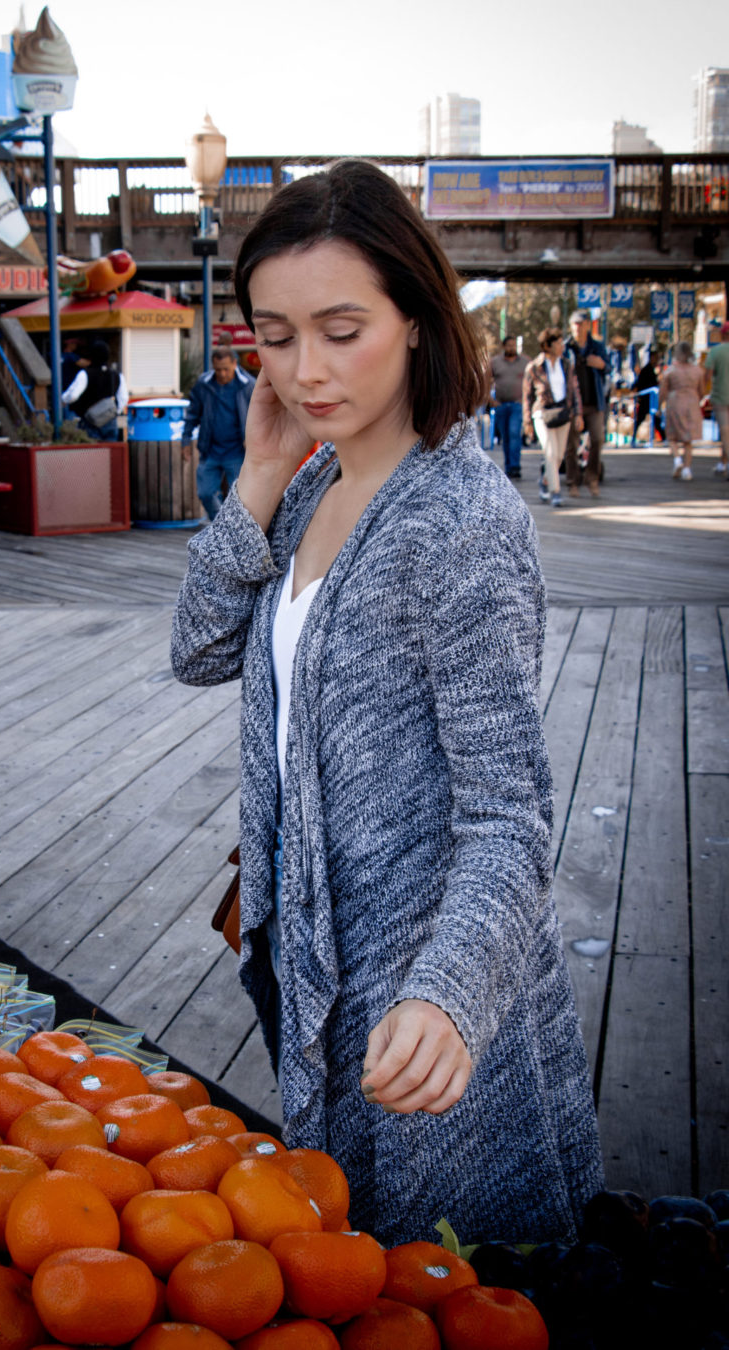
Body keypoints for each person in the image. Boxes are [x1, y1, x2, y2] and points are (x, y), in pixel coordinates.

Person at [170, 159, 603, 1248]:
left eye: (340, 328)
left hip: (423, 998)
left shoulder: (457, 519)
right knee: (346, 1261)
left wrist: (450, 993)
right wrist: (262, 477)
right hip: (307, 954)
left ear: (415, 315)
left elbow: (509, 816)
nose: (305, 369)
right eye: (275, 337)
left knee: (446, 1274)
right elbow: (199, 648)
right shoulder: (315, 479)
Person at [182, 345, 256, 520]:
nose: (222, 374)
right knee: (205, 493)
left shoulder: (248, 386)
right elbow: (192, 413)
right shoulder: (204, 384)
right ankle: (220, 524)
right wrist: (185, 440)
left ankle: (234, 531)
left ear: (235, 364)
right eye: (217, 370)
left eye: (225, 369)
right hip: (210, 449)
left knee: (239, 498)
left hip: (237, 451)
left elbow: (261, 417)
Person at [522, 328, 583, 508]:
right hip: (542, 412)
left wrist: (578, 413)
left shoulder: (566, 364)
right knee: (550, 451)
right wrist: (527, 422)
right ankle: (555, 492)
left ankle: (545, 479)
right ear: (547, 346)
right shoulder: (534, 367)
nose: (561, 346)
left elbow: (575, 389)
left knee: (558, 456)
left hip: (563, 412)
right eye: (557, 343)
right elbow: (527, 396)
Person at [563, 310, 608, 498]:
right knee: (571, 444)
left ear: (588, 325)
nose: (578, 328)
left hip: (594, 401)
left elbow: (608, 368)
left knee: (597, 440)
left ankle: (592, 479)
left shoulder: (596, 346)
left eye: (581, 324)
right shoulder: (566, 347)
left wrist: (601, 365)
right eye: (575, 324)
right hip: (573, 405)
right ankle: (573, 481)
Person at [62, 339, 128, 440]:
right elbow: (123, 398)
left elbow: (73, 395)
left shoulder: (85, 374)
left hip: (90, 420)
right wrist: (113, 412)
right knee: (111, 452)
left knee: (93, 452)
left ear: (91, 356)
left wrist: (63, 399)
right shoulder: (117, 375)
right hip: (110, 419)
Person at [659, 341, 705, 481]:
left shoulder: (670, 371)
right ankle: (687, 469)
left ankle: (677, 459)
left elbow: (663, 391)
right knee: (688, 439)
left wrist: (660, 405)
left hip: (675, 402)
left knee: (672, 436)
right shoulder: (697, 371)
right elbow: (702, 391)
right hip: (692, 403)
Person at [489, 335, 528, 479]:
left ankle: (515, 466)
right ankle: (508, 466)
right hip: (501, 404)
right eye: (509, 345)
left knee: (514, 433)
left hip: (517, 404)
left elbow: (531, 380)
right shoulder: (495, 362)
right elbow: (484, 379)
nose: (512, 348)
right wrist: (490, 400)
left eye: (514, 345)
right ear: (504, 346)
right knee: (505, 436)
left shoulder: (524, 362)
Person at [703, 319, 729, 476]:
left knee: (725, 433)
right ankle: (722, 463)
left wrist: (702, 392)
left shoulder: (715, 352)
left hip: (721, 397)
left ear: (721, 334)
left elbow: (708, 375)